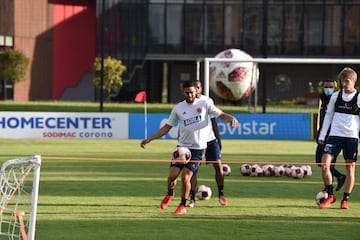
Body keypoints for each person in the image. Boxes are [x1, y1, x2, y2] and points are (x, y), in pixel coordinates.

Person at [140, 80, 239, 215]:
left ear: (197, 91)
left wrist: (231, 118)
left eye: (192, 92)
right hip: (182, 148)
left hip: (198, 150)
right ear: (183, 92)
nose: (189, 95)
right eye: (187, 93)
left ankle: (182, 206)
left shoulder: (205, 104)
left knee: (186, 178)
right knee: (171, 176)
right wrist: (150, 139)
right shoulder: (178, 108)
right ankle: (170, 194)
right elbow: (167, 127)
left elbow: (221, 115)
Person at [318, 67, 360, 209]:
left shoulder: (359, 98)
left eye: (346, 81)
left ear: (353, 81)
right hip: (334, 136)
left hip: (351, 137)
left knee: (350, 170)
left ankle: (345, 200)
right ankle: (330, 195)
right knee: (325, 165)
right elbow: (328, 116)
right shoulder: (336, 96)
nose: (344, 83)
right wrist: (323, 135)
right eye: (342, 81)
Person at [188, 80, 228, 207]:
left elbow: (214, 121)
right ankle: (192, 199)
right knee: (194, 171)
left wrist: (219, 140)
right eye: (196, 88)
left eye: (199, 88)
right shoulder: (187, 104)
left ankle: (221, 194)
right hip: (195, 142)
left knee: (218, 167)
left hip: (210, 140)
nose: (198, 90)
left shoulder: (207, 101)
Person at [315, 79, 346, 191]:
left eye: (330, 87)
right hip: (322, 133)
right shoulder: (322, 99)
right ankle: (339, 176)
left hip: (332, 135)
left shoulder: (337, 99)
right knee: (319, 161)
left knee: (327, 162)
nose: (328, 89)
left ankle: (328, 188)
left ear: (335, 88)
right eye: (326, 87)